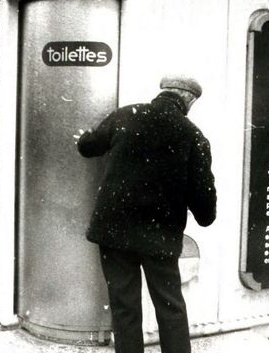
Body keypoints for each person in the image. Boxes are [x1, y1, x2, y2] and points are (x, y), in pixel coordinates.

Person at [75, 76, 217, 353]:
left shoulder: (126, 115)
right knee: (170, 306)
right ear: (188, 100)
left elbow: (88, 145)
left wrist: (83, 139)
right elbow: (203, 201)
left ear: (163, 92)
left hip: (115, 231)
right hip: (159, 235)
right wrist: (205, 214)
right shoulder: (193, 135)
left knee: (124, 306)